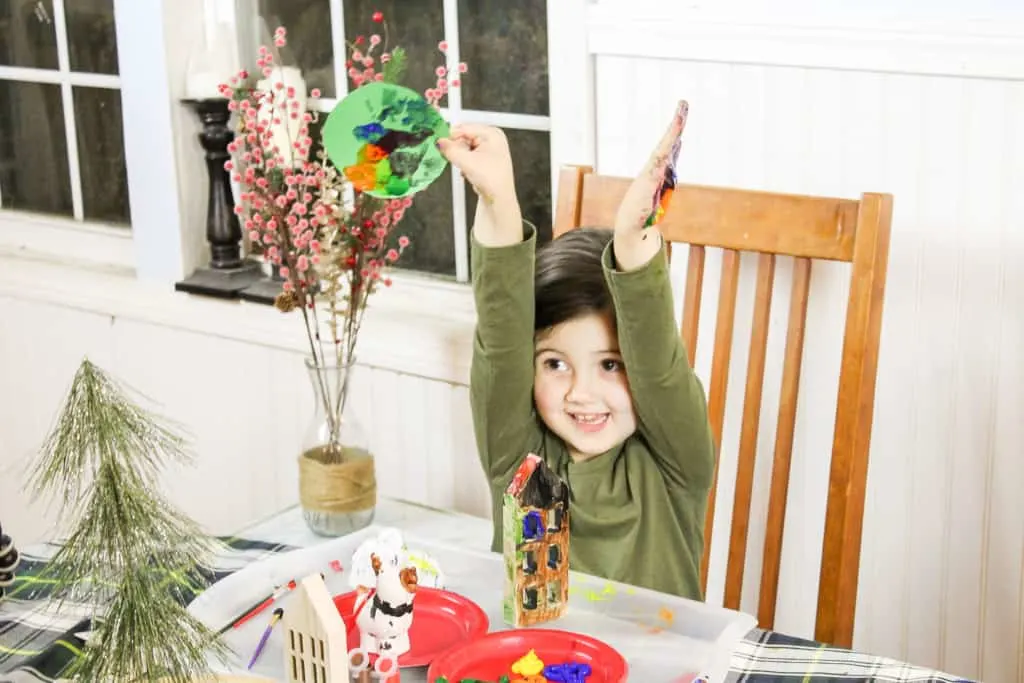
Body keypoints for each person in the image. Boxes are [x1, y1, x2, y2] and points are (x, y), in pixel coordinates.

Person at [437, 101, 716, 600]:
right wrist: (498, 201)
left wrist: (635, 245)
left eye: (610, 364)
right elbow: (502, 344)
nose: (581, 393)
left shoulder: (675, 464)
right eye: (555, 364)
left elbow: (660, 368)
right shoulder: (518, 459)